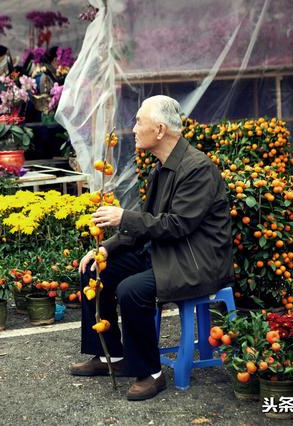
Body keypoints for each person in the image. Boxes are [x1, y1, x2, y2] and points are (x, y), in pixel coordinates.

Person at [70, 95, 234, 401]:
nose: (133, 128)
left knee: (132, 289)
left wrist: (123, 217)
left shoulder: (197, 168)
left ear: (159, 130)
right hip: (167, 253)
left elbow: (177, 225)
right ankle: (110, 356)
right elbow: (147, 224)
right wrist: (105, 248)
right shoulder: (162, 168)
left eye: (139, 122)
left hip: (195, 261)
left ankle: (151, 372)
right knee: (96, 269)